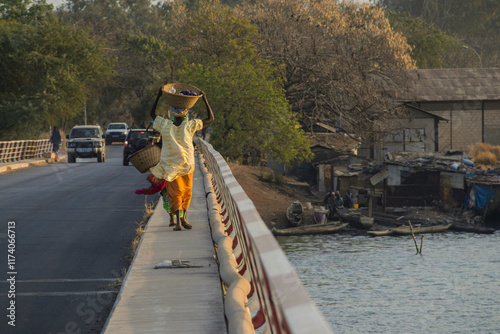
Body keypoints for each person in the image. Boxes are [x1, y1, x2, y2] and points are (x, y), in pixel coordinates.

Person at [136, 87, 214, 231]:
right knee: (186, 192)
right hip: (187, 164)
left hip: (172, 165)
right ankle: (182, 219)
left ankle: (180, 220)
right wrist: (204, 98)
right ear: (185, 114)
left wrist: (158, 95)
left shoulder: (165, 125)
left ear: (173, 113)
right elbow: (210, 119)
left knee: (175, 193)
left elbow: (152, 113)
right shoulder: (189, 125)